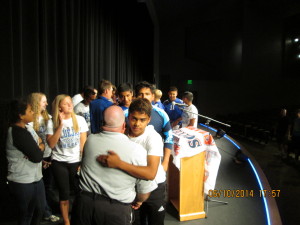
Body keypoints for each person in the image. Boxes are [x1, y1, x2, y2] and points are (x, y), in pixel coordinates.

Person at [71, 105, 157, 225]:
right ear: (123, 125)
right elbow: (144, 189)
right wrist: (139, 200)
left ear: (102, 123)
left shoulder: (90, 140)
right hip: (115, 210)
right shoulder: (137, 150)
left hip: (83, 205)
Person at [98, 98, 166, 225]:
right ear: (128, 117)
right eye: (134, 118)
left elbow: (150, 173)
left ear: (149, 120)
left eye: (142, 120)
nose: (137, 124)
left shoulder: (153, 138)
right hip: (131, 186)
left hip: (155, 187)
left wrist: (118, 163)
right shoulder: (121, 135)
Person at [46, 95, 88, 225]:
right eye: (66, 103)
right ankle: (66, 221)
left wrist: (83, 162)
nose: (70, 105)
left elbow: (83, 144)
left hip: (75, 162)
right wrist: (60, 125)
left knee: (79, 193)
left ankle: (77, 217)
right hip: (59, 162)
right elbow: (51, 144)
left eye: (70, 102)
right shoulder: (52, 121)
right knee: (64, 194)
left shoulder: (80, 120)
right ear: (59, 107)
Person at [6, 98, 45, 225]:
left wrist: (39, 147)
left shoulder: (28, 128)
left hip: (36, 178)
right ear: (21, 115)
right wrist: (38, 149)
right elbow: (37, 156)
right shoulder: (17, 132)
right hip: (22, 181)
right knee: (25, 215)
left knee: (38, 210)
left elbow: (40, 142)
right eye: (29, 111)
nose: (33, 113)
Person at [27, 93, 60, 223]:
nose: (46, 104)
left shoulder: (48, 118)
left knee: (48, 187)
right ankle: (44, 212)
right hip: (37, 158)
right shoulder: (29, 119)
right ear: (36, 102)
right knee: (39, 187)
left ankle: (47, 210)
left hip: (49, 155)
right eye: (43, 102)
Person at [135, 81, 173, 172]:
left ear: (152, 96)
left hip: (155, 167)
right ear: (136, 96)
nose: (144, 97)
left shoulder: (162, 114)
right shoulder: (126, 114)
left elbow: (169, 138)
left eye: (147, 94)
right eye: (140, 94)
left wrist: (166, 161)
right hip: (132, 164)